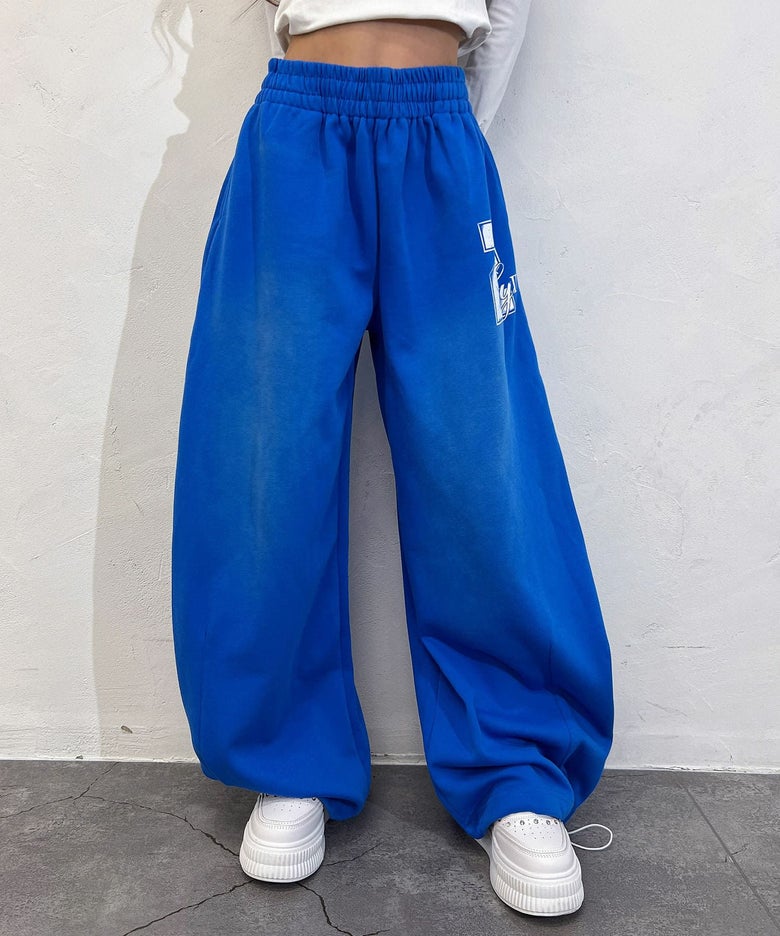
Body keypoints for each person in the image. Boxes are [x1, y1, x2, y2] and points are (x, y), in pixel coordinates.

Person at [170, 0, 614, 918]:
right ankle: (287, 758)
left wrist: (441, 130)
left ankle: (516, 768)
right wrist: (327, 109)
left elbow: (507, 17)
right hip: (296, 133)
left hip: (439, 138)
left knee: (479, 461)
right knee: (264, 457)